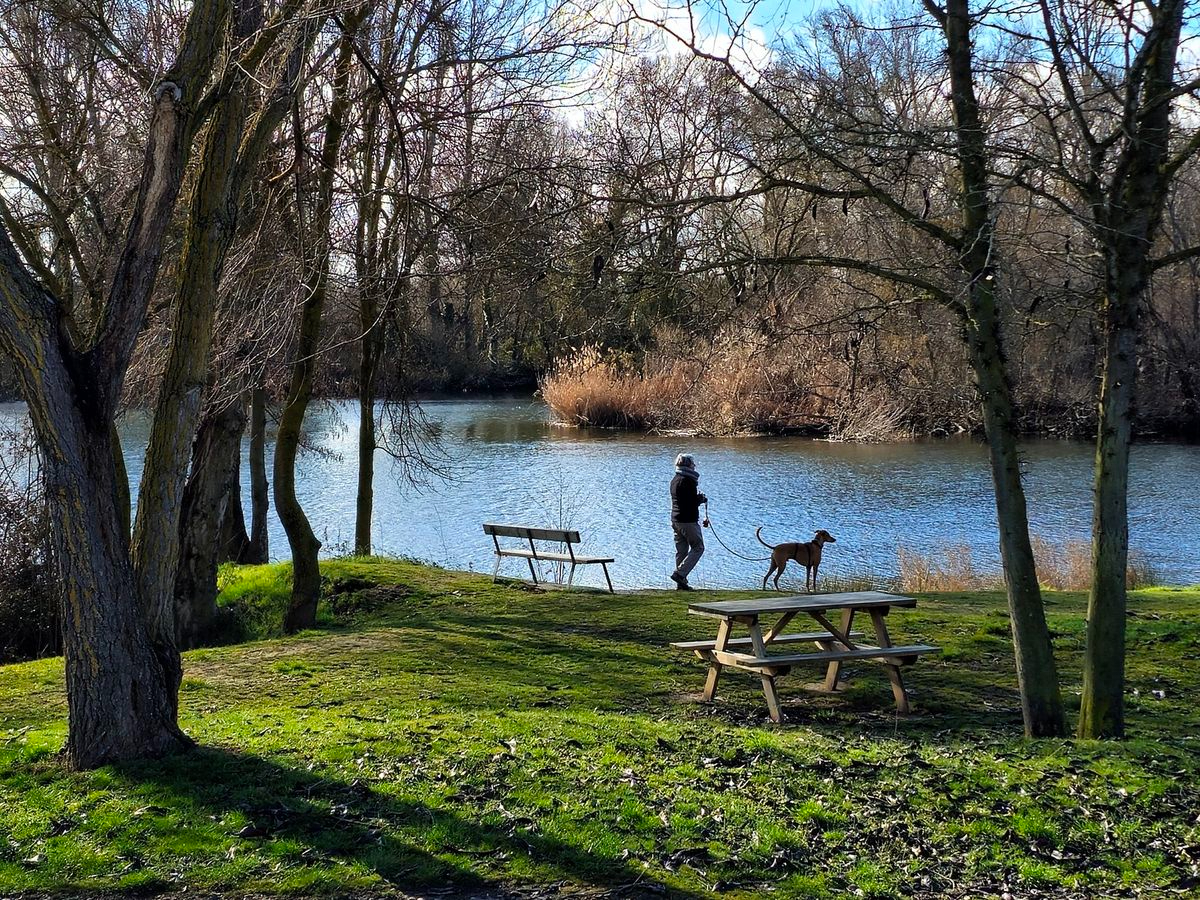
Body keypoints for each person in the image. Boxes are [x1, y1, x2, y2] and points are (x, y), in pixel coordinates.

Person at [670, 452, 708, 590]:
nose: (695, 466)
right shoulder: (687, 481)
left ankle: (681, 584)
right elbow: (689, 503)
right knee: (698, 547)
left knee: (682, 551)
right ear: (687, 465)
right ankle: (680, 574)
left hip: (676, 520)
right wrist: (700, 499)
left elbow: (682, 500)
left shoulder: (675, 479)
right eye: (692, 464)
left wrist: (696, 499)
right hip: (688, 521)